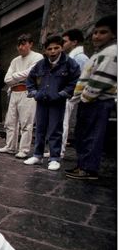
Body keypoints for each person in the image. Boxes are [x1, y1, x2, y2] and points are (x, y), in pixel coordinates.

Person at [66, 15, 117, 180]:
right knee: (84, 134)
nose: (97, 36)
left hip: (96, 102)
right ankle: (83, 165)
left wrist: (86, 97)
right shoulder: (100, 53)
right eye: (95, 32)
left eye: (103, 32)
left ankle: (88, 168)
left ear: (114, 34)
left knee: (92, 135)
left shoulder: (110, 53)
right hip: (90, 101)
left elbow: (101, 80)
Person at [23, 35, 81, 171]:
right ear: (46, 50)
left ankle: (54, 158)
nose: (53, 51)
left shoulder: (69, 63)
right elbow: (30, 79)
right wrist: (34, 92)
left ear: (61, 48)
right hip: (42, 101)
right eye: (50, 49)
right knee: (40, 129)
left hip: (57, 102)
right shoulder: (41, 64)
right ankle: (37, 155)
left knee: (55, 130)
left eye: (56, 48)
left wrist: (63, 94)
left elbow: (75, 80)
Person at [0, 34, 43, 159]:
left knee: (26, 122)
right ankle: (10, 146)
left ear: (30, 44)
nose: (20, 47)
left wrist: (15, 76)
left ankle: (24, 149)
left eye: (23, 44)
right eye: (19, 45)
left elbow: (31, 73)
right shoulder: (15, 60)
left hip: (28, 93)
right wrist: (20, 78)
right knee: (11, 121)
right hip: (14, 92)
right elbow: (7, 79)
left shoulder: (37, 57)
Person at [59, 29, 90, 157]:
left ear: (74, 42)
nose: (63, 44)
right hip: (68, 93)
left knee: (63, 122)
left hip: (71, 94)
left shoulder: (80, 58)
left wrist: (69, 94)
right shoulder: (72, 57)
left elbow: (82, 79)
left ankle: (59, 151)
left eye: (65, 41)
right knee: (60, 122)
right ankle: (57, 149)